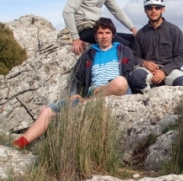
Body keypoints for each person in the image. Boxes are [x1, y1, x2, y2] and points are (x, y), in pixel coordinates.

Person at [13, 18, 134, 149]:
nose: (104, 36)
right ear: (95, 36)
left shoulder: (124, 51)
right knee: (47, 110)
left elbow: (128, 76)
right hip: (91, 94)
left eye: (107, 32)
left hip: (115, 90)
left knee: (120, 82)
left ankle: (89, 101)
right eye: (100, 33)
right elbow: (75, 78)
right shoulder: (88, 55)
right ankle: (20, 143)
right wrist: (73, 93)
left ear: (113, 34)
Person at [128, 0, 183, 94]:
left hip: (170, 71)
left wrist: (164, 71)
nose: (153, 10)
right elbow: (135, 56)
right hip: (148, 72)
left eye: (157, 7)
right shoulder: (141, 34)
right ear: (145, 10)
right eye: (149, 8)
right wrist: (145, 63)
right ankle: (148, 101)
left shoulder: (174, 31)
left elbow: (182, 56)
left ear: (163, 9)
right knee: (136, 78)